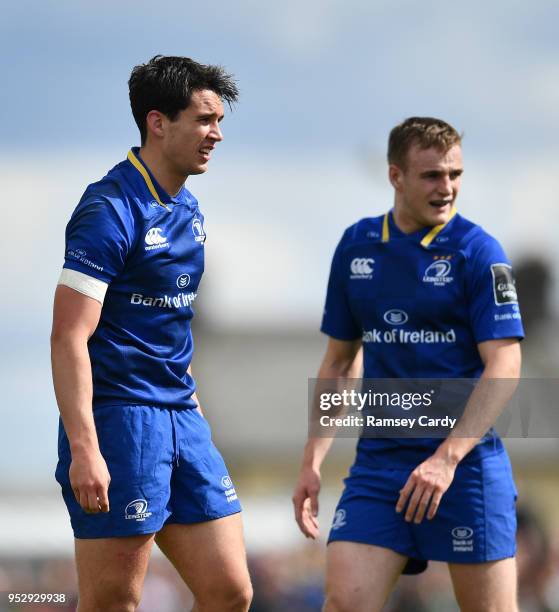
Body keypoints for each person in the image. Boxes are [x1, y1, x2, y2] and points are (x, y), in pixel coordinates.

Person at [293, 117, 524, 611]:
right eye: (432, 176)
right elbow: (339, 362)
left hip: (465, 468)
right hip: (381, 467)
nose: (447, 188)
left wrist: (445, 460)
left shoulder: (479, 253)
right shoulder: (356, 247)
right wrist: (313, 459)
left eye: (455, 174)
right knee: (345, 604)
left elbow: (504, 365)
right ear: (396, 176)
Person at [51, 55, 252, 612]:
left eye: (219, 122)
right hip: (122, 419)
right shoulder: (109, 209)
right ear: (158, 122)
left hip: (182, 417)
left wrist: (194, 408)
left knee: (231, 591)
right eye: (205, 119)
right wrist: (85, 449)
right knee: (115, 600)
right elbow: (68, 336)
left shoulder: (189, 210)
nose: (216, 135)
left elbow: (169, 321)